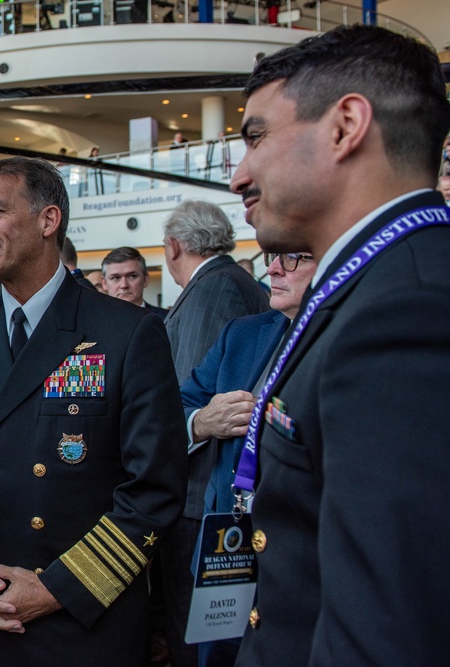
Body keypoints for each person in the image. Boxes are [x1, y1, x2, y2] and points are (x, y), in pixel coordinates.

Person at [0, 157, 187, 666]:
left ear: (47, 220)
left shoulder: (128, 333)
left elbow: (154, 488)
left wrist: (55, 589)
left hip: (79, 623)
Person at [228, 25, 450, 665]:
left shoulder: (408, 311)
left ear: (346, 124)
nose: (241, 174)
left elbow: (388, 632)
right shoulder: (376, 285)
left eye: (257, 136)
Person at [178, 251, 316, 667]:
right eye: (274, 257)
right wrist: (202, 421)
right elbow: (176, 406)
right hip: (227, 544)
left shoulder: (348, 339)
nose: (272, 268)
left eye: (295, 259)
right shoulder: (243, 334)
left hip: (300, 564)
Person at [160, 199, 268, 667]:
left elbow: (192, 390)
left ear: (173, 247)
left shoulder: (215, 289)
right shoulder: (228, 283)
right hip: (212, 496)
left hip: (204, 496)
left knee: (195, 633)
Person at [101, 246, 168, 319]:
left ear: (145, 279)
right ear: (104, 283)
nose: (124, 285)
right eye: (115, 278)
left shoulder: (167, 319)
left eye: (132, 276)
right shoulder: (92, 322)